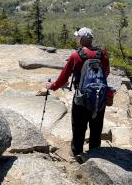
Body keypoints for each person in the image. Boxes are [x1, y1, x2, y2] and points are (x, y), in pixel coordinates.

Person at [45, 27, 110, 159]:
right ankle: (95, 154)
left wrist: (52, 86)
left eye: (77, 37)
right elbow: (106, 72)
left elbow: (64, 77)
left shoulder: (76, 55)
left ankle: (76, 152)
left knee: (79, 128)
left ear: (81, 39)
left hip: (81, 98)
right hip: (99, 97)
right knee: (96, 127)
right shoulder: (102, 54)